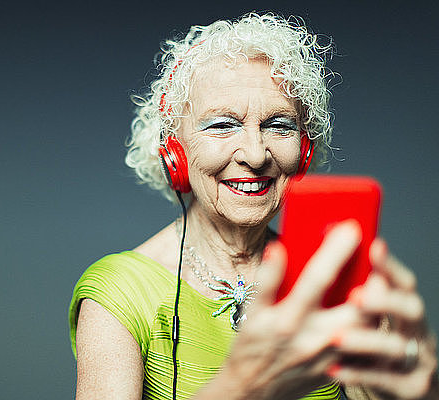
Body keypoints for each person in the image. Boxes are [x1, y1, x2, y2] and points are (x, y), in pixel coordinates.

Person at [68, 13, 438, 400]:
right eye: (222, 125)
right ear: (174, 153)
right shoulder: (117, 292)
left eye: (279, 125)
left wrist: (422, 391)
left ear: (305, 151)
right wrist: (245, 386)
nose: (256, 154)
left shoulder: (331, 280)